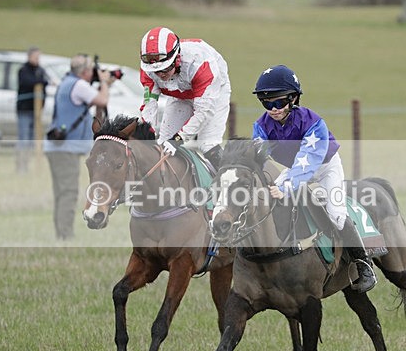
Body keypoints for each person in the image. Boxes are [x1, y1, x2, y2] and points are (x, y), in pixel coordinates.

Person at [251, 65, 377, 292]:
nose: (273, 109)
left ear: (293, 99)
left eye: (278, 102)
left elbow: (307, 161)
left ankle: (365, 264)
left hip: (325, 168)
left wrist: (286, 186)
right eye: (266, 103)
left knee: (336, 214)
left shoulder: (313, 123)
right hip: (294, 171)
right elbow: (257, 158)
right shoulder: (261, 126)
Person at [138, 26, 230, 169]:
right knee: (162, 144)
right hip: (180, 94)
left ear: (177, 59)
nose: (161, 75)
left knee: (207, 145)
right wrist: (145, 136)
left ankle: (235, 183)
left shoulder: (201, 64)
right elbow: (149, 107)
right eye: (156, 71)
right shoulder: (148, 71)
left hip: (213, 90)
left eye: (165, 68)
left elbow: (203, 112)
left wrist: (179, 138)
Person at [44, 54, 112, 241]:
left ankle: (61, 232)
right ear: (84, 72)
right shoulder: (79, 85)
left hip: (57, 147)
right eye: (91, 71)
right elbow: (102, 101)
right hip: (66, 149)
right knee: (69, 192)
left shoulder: (67, 82)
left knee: (61, 192)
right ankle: (65, 235)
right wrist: (105, 83)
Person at [16, 46, 49, 173]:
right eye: (35, 57)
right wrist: (41, 82)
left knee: (32, 139)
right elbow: (29, 82)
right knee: (24, 138)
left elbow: (44, 84)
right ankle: (21, 166)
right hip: (24, 109)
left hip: (36, 111)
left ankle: (30, 165)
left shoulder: (40, 70)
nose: (37, 59)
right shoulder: (23, 70)